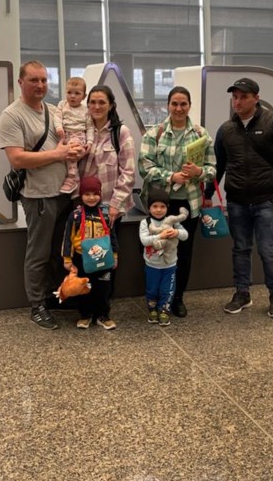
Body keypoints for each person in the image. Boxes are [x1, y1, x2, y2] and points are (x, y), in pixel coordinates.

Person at [0, 60, 84, 330]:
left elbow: (63, 143)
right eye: (34, 80)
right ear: (21, 82)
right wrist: (58, 154)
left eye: (44, 80)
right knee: (38, 253)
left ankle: (56, 296)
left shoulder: (52, 110)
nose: (40, 85)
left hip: (64, 194)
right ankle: (37, 305)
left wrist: (73, 150)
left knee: (60, 251)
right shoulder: (12, 115)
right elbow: (17, 159)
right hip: (38, 196)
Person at [207, 77, 273, 319]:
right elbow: (218, 167)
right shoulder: (226, 130)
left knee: (269, 251)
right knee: (240, 249)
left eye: (243, 97)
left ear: (256, 98)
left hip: (268, 200)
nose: (237, 101)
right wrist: (207, 195)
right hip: (237, 200)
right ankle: (242, 293)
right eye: (235, 97)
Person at [138, 86, 217, 318]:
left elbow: (213, 169)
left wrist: (198, 172)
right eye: (174, 104)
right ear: (168, 105)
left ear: (189, 106)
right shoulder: (155, 133)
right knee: (155, 250)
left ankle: (177, 297)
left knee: (183, 254)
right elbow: (145, 167)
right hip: (160, 206)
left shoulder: (201, 134)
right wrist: (170, 177)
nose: (179, 108)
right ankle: (155, 298)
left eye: (183, 104)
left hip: (188, 206)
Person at [61, 176, 119, 330]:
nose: (91, 198)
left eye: (95, 193)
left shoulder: (106, 213)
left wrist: (115, 255)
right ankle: (85, 315)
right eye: (87, 194)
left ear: (100, 194)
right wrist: (67, 259)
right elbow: (67, 238)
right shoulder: (75, 215)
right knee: (83, 288)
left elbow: (112, 235)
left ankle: (103, 316)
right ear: (81, 195)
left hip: (103, 257)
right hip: (82, 258)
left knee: (103, 289)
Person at [80, 85, 136, 228]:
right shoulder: (79, 132)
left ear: (111, 106)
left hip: (110, 208)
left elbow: (128, 172)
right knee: (82, 249)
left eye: (102, 102)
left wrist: (115, 204)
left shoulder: (121, 133)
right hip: (82, 207)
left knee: (109, 249)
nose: (97, 106)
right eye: (92, 102)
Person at [139, 188, 188, 326]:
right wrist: (160, 236)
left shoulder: (172, 221)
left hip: (170, 265)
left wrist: (176, 232)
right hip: (152, 264)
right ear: (149, 208)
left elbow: (185, 235)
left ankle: (164, 310)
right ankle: (153, 309)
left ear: (167, 208)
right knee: (152, 289)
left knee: (167, 289)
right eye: (155, 206)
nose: (158, 210)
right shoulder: (146, 222)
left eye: (162, 206)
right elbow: (144, 240)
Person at [54, 77, 94, 194]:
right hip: (65, 134)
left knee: (71, 152)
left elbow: (90, 127)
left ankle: (72, 177)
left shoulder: (86, 110)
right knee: (62, 155)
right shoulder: (62, 104)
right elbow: (57, 116)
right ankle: (74, 179)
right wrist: (58, 127)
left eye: (77, 93)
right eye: (69, 92)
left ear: (84, 96)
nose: (72, 96)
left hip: (79, 135)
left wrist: (90, 142)